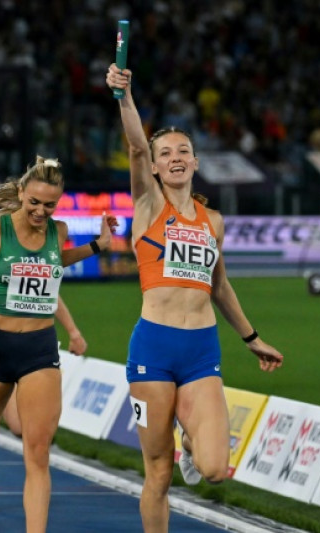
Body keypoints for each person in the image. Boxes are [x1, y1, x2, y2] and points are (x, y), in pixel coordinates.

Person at [106, 64, 284, 533]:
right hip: (153, 350)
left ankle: (192, 441)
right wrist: (124, 96)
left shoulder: (214, 222)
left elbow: (219, 285)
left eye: (184, 150)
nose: (176, 157)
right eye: (166, 153)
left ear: (196, 162)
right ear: (157, 166)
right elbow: (135, 145)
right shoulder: (147, 204)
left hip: (202, 349)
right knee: (158, 472)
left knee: (213, 470)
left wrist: (252, 337)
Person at [0, 156, 117, 533]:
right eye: (34, 202)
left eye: (49, 205)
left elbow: (55, 264)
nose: (41, 211)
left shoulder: (59, 231)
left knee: (37, 452)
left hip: (38, 349)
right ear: (21, 192)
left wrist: (98, 246)